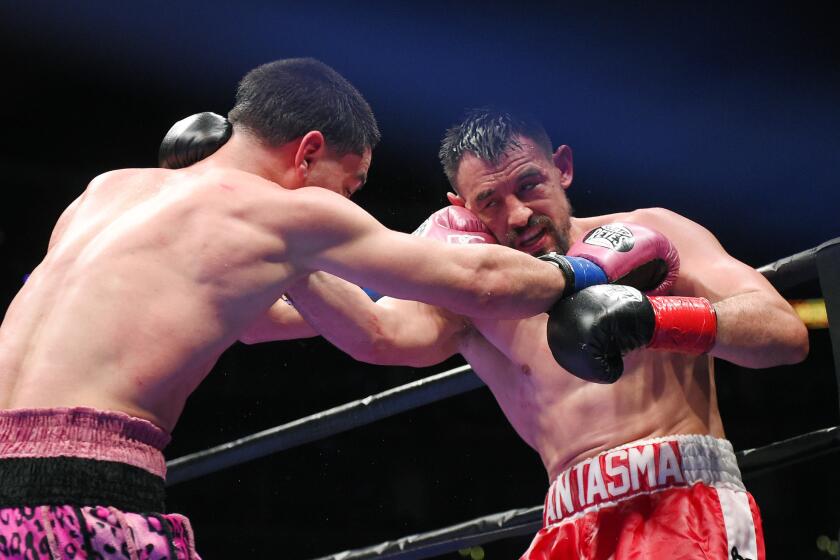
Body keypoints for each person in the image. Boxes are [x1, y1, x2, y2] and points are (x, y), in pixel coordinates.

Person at [0, 62, 593, 559]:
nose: (347, 202)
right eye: (351, 185)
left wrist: (347, 290)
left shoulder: (104, 190)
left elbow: (257, 323)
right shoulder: (288, 213)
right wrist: (591, 268)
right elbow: (484, 282)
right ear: (309, 151)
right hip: (83, 486)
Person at [266, 109, 809, 559]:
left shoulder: (653, 229)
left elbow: (784, 332)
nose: (520, 214)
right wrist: (291, 248)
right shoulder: (476, 297)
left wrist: (655, 320)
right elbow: (375, 333)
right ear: (462, 209)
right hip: (566, 522)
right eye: (491, 202)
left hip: (681, 503)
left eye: (530, 185)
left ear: (563, 167)